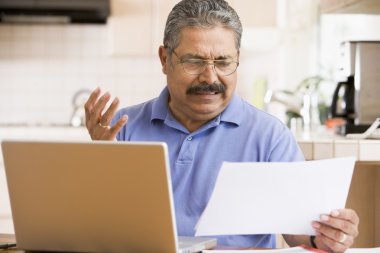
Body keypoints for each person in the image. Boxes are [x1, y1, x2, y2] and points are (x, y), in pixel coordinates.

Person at [84, 0, 359, 252]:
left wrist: (326, 234)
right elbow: (99, 228)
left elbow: (298, 231)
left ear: (237, 58)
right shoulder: (121, 129)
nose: (210, 76)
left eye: (223, 62)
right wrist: (103, 161)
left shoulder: (269, 136)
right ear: (165, 60)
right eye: (194, 61)